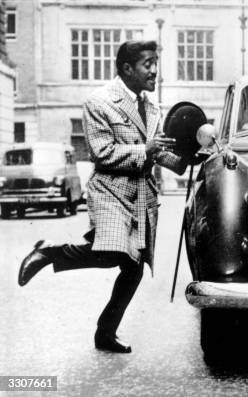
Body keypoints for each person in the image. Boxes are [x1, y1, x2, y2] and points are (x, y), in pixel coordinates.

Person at [18, 40, 188, 353]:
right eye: (147, 63)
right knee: (114, 255)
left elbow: (162, 154)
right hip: (110, 189)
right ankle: (51, 251)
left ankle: (105, 334)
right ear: (127, 68)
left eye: (155, 62)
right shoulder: (99, 101)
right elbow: (102, 153)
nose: (154, 70)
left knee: (133, 268)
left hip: (141, 195)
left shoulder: (151, 106)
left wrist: (189, 157)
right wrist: (144, 150)